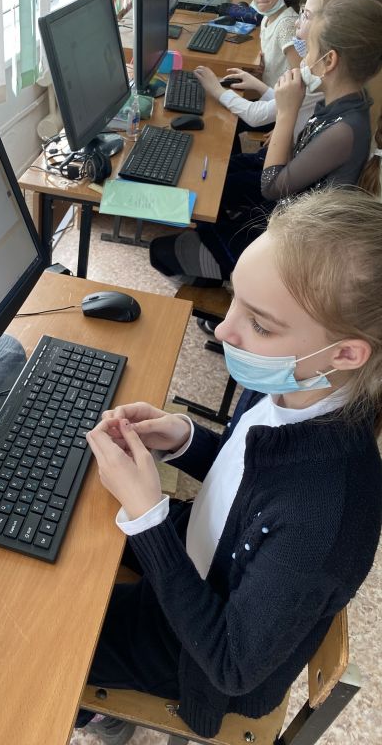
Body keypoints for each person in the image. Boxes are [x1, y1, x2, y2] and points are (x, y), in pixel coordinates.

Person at [76, 188, 382, 745]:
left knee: (40, 631)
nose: (223, 330)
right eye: (235, 297)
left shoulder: (326, 516)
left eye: (260, 324)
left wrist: (147, 515)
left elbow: (231, 665)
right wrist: (185, 439)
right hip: (203, 556)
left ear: (345, 353)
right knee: (65, 525)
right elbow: (253, 474)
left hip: (198, 656)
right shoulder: (290, 386)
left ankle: (98, 713)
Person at [149, 0, 382, 286]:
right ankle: (223, 268)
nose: (305, 59)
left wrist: (286, 113)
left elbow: (271, 187)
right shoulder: (346, 103)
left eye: (309, 50)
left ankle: (235, 286)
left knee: (161, 250)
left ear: (330, 61)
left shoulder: (344, 130)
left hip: (291, 247)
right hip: (286, 218)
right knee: (214, 191)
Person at [194, 0, 370, 145]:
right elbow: (287, 101)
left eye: (306, 15)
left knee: (219, 124)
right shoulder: (321, 68)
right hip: (287, 144)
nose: (297, 22)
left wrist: (216, 90)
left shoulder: (318, 73)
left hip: (287, 152)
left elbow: (257, 115)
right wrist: (259, 86)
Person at [248, 0, 301, 89]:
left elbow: (300, 76)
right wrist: (262, 69)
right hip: (269, 92)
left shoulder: (287, 25)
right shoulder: (266, 19)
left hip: (283, 98)